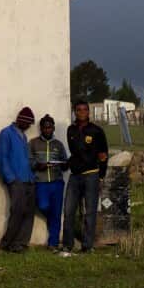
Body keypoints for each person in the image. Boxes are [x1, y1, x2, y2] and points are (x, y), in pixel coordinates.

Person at [62, 100, 109, 255]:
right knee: (69, 211)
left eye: (84, 110)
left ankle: (87, 245)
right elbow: (75, 152)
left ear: (88, 112)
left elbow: (103, 155)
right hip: (75, 176)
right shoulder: (71, 130)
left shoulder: (96, 131)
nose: (81, 113)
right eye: (78, 110)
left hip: (91, 175)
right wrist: (68, 164)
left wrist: (101, 176)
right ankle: (67, 245)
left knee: (90, 212)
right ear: (75, 112)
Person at [0, 107, 37, 253]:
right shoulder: (6, 133)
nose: (28, 127)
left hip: (29, 179)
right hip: (16, 180)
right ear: (21, 121)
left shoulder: (23, 136)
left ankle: (19, 244)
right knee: (17, 211)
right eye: (27, 124)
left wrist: (33, 176)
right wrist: (11, 179)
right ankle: (7, 243)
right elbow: (3, 157)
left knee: (28, 212)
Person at [29, 115, 68, 250]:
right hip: (41, 182)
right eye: (45, 127)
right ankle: (52, 224)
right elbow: (29, 160)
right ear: (41, 128)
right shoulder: (33, 143)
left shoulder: (58, 144)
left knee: (57, 213)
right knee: (43, 205)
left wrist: (64, 165)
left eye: (49, 127)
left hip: (57, 182)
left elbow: (64, 161)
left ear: (53, 128)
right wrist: (38, 165)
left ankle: (53, 243)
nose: (47, 130)